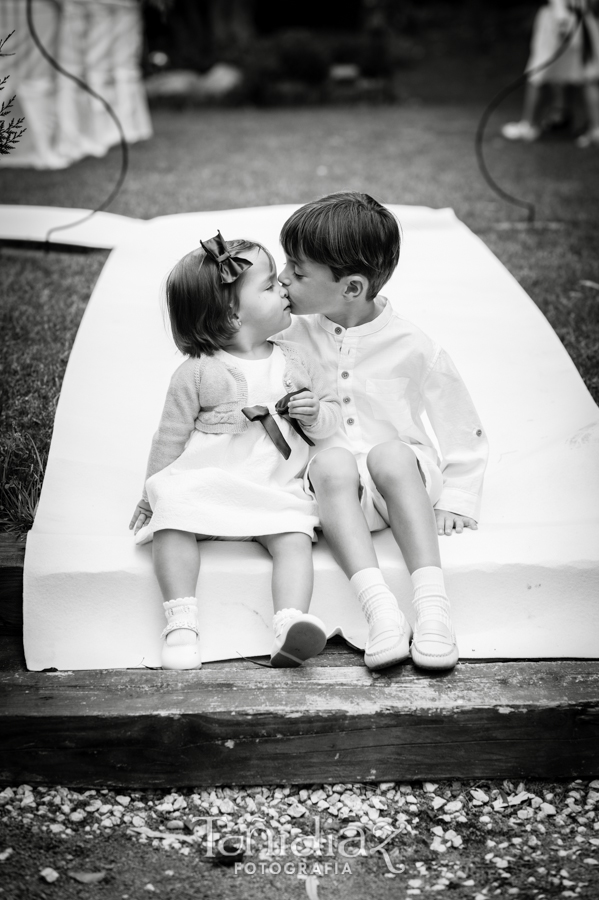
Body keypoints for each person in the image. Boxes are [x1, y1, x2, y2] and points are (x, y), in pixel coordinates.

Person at [276, 192, 489, 672]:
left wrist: (459, 495)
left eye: (298, 270)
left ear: (351, 287)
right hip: (335, 496)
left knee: (390, 454)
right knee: (330, 462)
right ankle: (381, 612)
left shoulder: (411, 343)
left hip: (404, 482)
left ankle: (433, 607)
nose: (283, 278)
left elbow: (459, 420)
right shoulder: (290, 338)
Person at [129, 232, 341, 670]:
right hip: (212, 483)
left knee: (294, 534)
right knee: (173, 515)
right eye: (268, 286)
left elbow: (331, 419)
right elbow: (169, 436)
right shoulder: (198, 372)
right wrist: (151, 495)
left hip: (271, 487)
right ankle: (181, 622)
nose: (284, 287)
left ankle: (289, 622)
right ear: (231, 313)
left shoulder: (296, 359)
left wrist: (315, 411)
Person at [501, 0, 599, 147]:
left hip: (561, 21)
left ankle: (529, 125)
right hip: (581, 19)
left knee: (539, 71)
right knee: (585, 73)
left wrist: (561, 18)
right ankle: (588, 126)